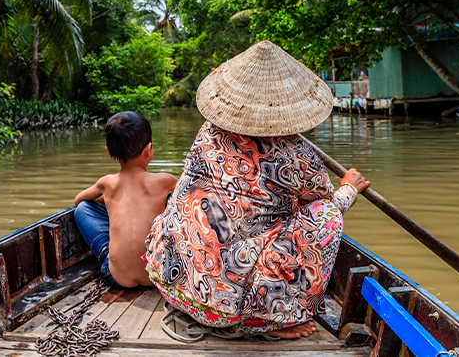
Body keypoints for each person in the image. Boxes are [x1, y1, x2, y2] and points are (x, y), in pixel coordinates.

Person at [144, 41, 370, 340]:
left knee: (193, 196)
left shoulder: (207, 132)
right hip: (225, 311)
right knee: (327, 214)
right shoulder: (299, 154)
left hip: (173, 286)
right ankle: (270, 318)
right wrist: (348, 189)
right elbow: (327, 205)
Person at [74, 111, 178, 288]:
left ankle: (110, 252)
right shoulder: (165, 181)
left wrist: (109, 198)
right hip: (157, 277)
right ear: (148, 150)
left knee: (82, 210)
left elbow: (79, 200)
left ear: (109, 152)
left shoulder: (107, 183)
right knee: (173, 203)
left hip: (117, 277)